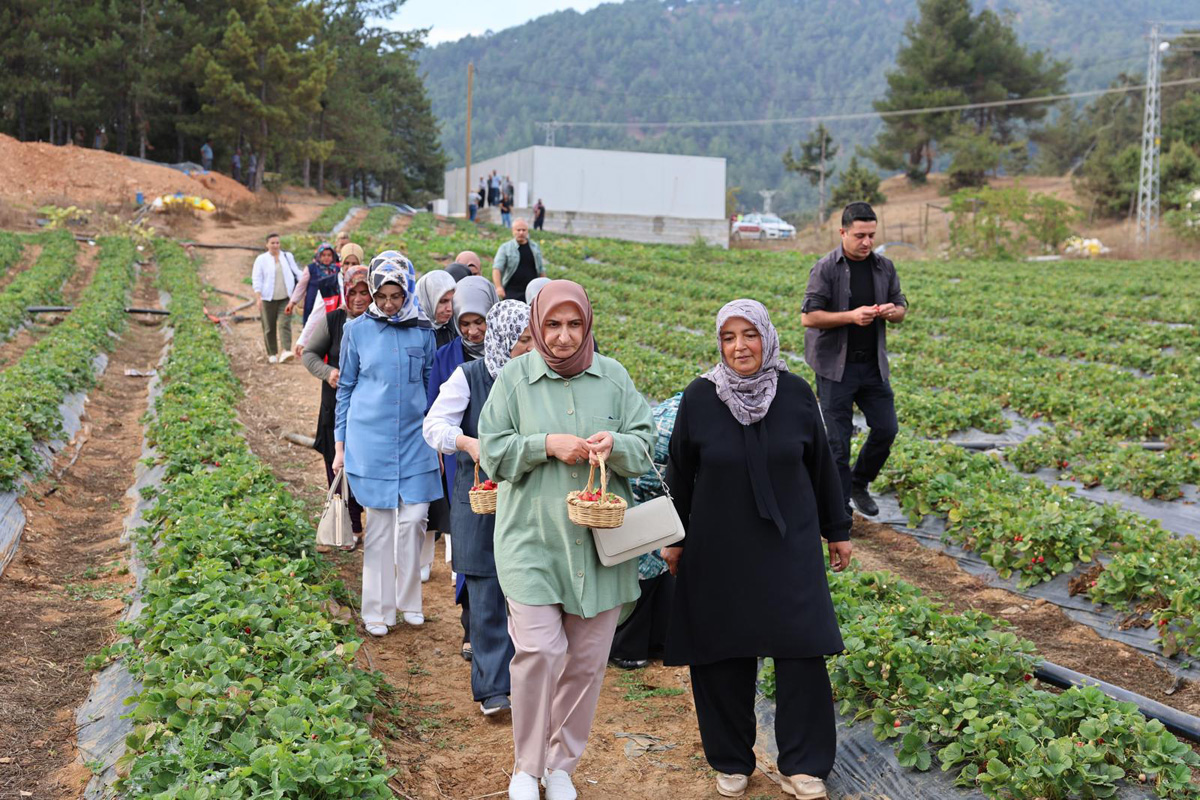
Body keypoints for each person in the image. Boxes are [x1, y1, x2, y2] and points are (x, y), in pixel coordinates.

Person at [662, 299, 852, 800]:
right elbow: (680, 474)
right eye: (729, 337)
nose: (740, 346)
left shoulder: (794, 393)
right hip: (718, 547)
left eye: (749, 335)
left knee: (802, 650)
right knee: (721, 650)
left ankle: (803, 764)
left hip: (789, 544)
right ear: (719, 343)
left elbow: (821, 468)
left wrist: (838, 529)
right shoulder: (700, 397)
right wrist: (675, 539)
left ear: (767, 337)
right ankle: (731, 760)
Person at [478, 280, 654, 800]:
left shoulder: (614, 379)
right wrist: (544, 445)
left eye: (573, 324)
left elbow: (644, 448)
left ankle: (560, 766)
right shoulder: (514, 379)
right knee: (538, 650)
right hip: (531, 540)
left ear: (587, 326)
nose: (561, 336)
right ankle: (525, 768)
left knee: (584, 661)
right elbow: (492, 450)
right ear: (536, 326)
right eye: (552, 324)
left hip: (600, 549)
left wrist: (615, 444)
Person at [424, 300, 534, 717]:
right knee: (487, 590)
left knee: (529, 591)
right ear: (503, 339)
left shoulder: (542, 380)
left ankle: (529, 680)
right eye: (523, 340)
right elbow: (433, 425)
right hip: (483, 498)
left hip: (528, 499)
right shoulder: (470, 376)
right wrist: (467, 444)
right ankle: (493, 689)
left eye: (532, 339)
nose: (529, 348)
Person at [333, 252, 440, 635]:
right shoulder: (356, 331)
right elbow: (345, 389)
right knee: (379, 527)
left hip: (414, 438)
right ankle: (375, 610)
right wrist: (340, 447)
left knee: (414, 519)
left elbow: (431, 383)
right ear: (374, 293)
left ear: (407, 290)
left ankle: (408, 599)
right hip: (370, 440)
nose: (389, 304)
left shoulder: (422, 331)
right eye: (383, 296)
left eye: (396, 295)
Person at [801, 202, 907, 518]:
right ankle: (839, 506)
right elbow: (809, 317)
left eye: (872, 235)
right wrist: (850, 316)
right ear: (843, 232)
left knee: (887, 428)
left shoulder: (884, 267)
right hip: (836, 367)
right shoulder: (826, 268)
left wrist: (893, 312)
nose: (867, 242)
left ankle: (858, 483)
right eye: (860, 235)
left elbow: (901, 306)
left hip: (872, 366)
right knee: (838, 443)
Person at [609, 392, 681, 670]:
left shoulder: (688, 407)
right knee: (644, 566)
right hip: (642, 487)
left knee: (660, 569)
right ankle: (627, 647)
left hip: (655, 489)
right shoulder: (677, 419)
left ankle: (655, 642)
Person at [302, 264, 371, 550]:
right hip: (336, 409)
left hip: (368, 410)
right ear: (344, 291)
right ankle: (350, 525)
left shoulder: (380, 323)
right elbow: (309, 354)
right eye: (352, 292)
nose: (358, 298)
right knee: (338, 465)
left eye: (364, 292)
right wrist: (329, 372)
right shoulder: (333, 321)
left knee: (364, 464)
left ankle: (366, 519)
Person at [293, 242, 364, 358]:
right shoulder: (328, 285)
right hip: (336, 339)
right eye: (346, 263)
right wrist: (302, 340)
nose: (350, 267)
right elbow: (316, 314)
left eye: (354, 263)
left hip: (360, 338)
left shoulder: (367, 284)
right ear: (341, 263)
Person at [250, 233, 303, 363]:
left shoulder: (287, 256)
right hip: (267, 299)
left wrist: (305, 286)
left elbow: (297, 273)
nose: (275, 245)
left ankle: (286, 350)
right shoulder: (261, 259)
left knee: (284, 323)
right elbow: (257, 279)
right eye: (272, 243)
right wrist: (258, 297)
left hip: (286, 298)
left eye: (277, 243)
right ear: (267, 244)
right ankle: (272, 352)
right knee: (269, 326)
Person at [491, 219, 545, 303]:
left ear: (527, 231)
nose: (521, 232)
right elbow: (497, 268)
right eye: (518, 230)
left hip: (532, 293)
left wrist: (544, 288)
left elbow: (541, 269)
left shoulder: (535, 247)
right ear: (513, 231)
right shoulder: (505, 248)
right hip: (511, 292)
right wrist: (499, 287)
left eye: (524, 230)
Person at [289, 242, 339, 325]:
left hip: (332, 306)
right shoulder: (311, 269)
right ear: (319, 256)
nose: (326, 257)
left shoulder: (337, 269)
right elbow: (301, 286)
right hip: (312, 305)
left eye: (329, 255)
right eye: (323, 255)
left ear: (333, 256)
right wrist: (292, 302)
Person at [416, 269, 459, 349]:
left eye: (452, 301)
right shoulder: (413, 332)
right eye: (443, 301)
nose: (449, 308)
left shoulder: (458, 328)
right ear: (427, 300)